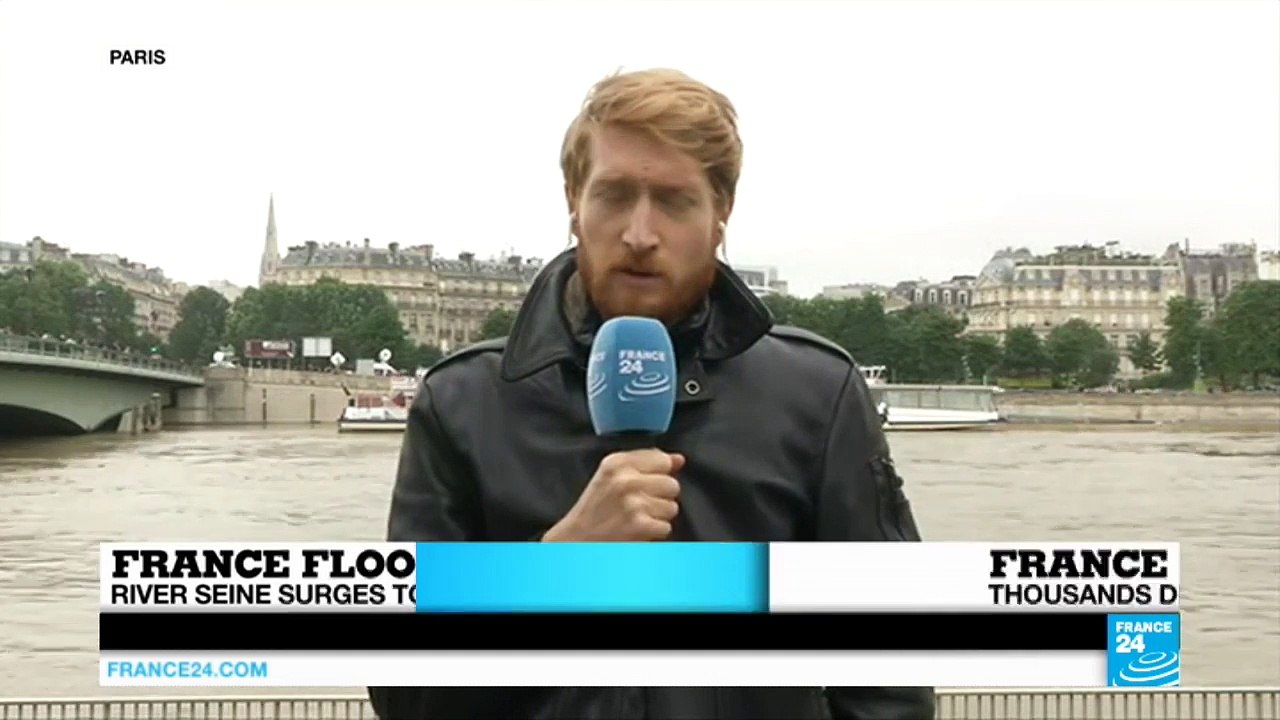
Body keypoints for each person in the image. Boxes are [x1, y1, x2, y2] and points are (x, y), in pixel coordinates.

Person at [369, 68, 935, 720]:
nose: (640, 232)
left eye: (673, 200)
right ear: (573, 202)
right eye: (613, 195)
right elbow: (404, 695)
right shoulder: (461, 404)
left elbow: (889, 679)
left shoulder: (817, 396)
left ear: (721, 214)